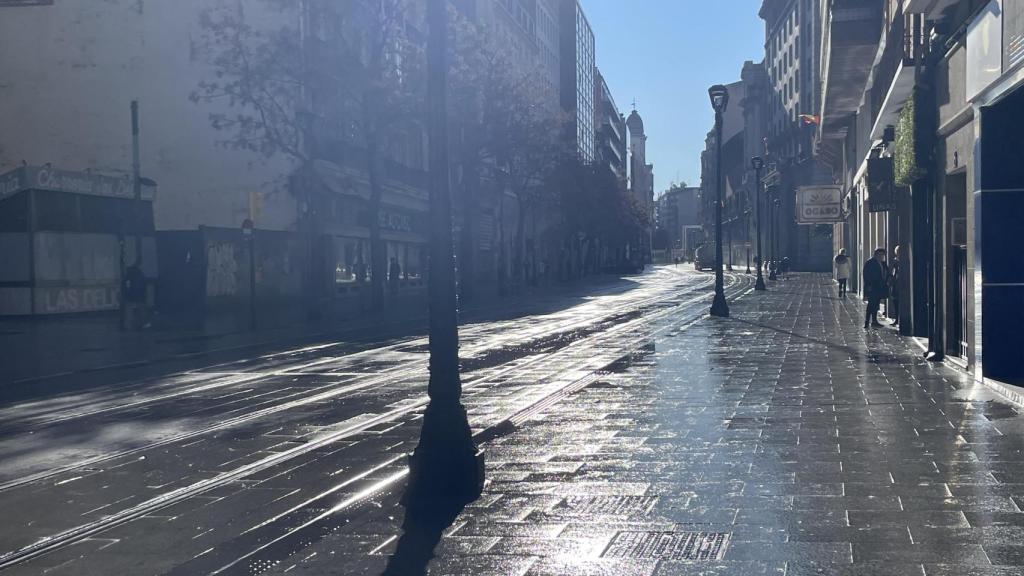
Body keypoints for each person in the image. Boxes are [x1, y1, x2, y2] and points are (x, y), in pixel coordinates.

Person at [862, 248, 889, 329]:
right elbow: (866, 274)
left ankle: (874, 321)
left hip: (880, 287)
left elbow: (887, 273)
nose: (882, 256)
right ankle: (867, 322)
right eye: (880, 255)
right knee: (871, 304)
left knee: (876, 304)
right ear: (876, 254)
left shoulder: (883, 263)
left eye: (883, 255)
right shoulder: (870, 263)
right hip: (872, 287)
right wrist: (868, 285)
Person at [889, 245, 901, 327]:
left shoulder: (899, 261)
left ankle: (898, 319)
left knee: (898, 302)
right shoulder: (895, 261)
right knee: (895, 302)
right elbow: (894, 272)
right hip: (895, 283)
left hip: (899, 283)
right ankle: (896, 318)